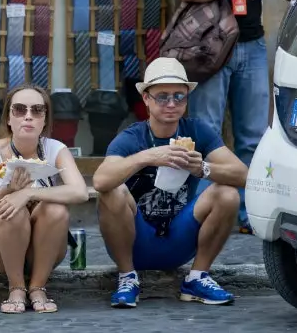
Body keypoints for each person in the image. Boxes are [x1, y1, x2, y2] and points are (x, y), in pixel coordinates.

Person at [93, 58, 248, 308]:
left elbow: (243, 175)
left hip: (179, 238)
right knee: (113, 191)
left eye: (179, 96)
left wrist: (202, 168)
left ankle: (197, 277)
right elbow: (100, 181)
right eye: (162, 96)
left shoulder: (197, 131)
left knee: (227, 193)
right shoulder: (131, 137)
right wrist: (149, 156)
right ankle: (127, 277)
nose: (172, 104)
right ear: (146, 99)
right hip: (134, 241)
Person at [178, 0, 297, 234]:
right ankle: (204, 210)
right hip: (211, 48)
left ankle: (248, 211)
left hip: (252, 47)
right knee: (207, 133)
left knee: (253, 137)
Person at [0, 83, 88, 314]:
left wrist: (28, 193)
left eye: (37, 111)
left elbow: (80, 192)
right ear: (9, 119)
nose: (28, 117)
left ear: (45, 120)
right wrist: (6, 193)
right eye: (20, 110)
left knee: (56, 209)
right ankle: (16, 287)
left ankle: (38, 286)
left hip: (43, 250)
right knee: (13, 210)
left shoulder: (55, 150)